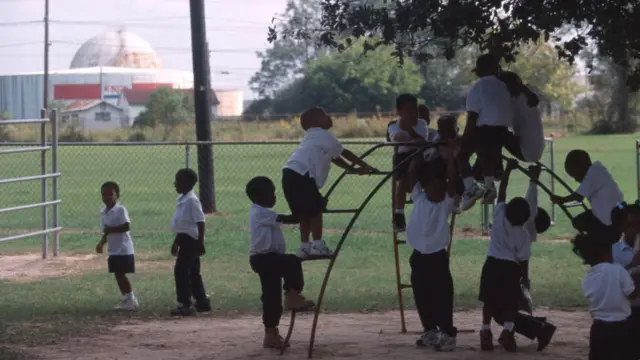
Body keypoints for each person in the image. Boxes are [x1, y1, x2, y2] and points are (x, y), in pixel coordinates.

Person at [282, 107, 377, 259]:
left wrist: (353, 169)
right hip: (302, 175)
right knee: (316, 210)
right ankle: (318, 246)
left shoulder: (312, 137)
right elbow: (344, 153)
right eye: (325, 115)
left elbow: (335, 157)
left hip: (289, 173)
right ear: (315, 122)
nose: (329, 117)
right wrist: (364, 165)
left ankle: (304, 247)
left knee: (304, 214)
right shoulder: (322, 134)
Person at [490, 165, 557, 352]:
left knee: (500, 311)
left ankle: (538, 329)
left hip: (504, 270)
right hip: (513, 271)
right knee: (503, 309)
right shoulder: (527, 232)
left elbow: (530, 201)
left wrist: (531, 180)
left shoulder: (519, 223)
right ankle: (536, 328)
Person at [245, 176, 316, 349]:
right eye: (271, 193)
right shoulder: (260, 212)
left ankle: (271, 333)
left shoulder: (263, 212)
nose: (274, 197)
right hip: (264, 258)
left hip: (267, 259)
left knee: (271, 296)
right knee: (292, 261)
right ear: (259, 196)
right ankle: (292, 294)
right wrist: (309, 210)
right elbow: (289, 219)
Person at [405, 139, 458, 351]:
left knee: (442, 296)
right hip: (418, 256)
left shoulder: (446, 203)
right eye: (432, 185)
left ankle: (447, 334)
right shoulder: (418, 197)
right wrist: (420, 152)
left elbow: (453, 180)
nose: (436, 189)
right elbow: (411, 174)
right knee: (421, 295)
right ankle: (430, 332)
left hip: (437, 257)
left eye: (440, 186)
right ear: (425, 187)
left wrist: (451, 159)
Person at [478, 159, 529, 353]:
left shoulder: (500, 215)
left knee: (489, 301)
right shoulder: (523, 234)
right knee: (510, 303)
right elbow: (523, 259)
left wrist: (507, 170)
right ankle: (507, 333)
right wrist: (524, 277)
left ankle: (485, 331)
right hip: (510, 268)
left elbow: (503, 192)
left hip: (492, 264)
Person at [458, 54, 515, 210]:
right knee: (486, 152)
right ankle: (490, 185)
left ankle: (471, 189)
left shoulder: (477, 87)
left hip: (485, 130)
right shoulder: (504, 86)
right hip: (503, 132)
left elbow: (472, 117)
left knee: (461, 155)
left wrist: (464, 138)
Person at [573, 232, 637, 360]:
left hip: (599, 328)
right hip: (622, 328)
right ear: (605, 252)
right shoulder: (618, 270)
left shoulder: (588, 278)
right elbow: (632, 294)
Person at [550, 150, 623, 241]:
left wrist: (561, 199)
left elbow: (578, 197)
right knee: (579, 222)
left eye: (575, 175)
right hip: (613, 217)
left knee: (579, 223)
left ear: (580, 167)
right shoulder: (598, 170)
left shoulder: (595, 172)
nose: (576, 180)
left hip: (608, 223)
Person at [169, 168, 212, 316]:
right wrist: (176, 242)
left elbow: (200, 222)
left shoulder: (192, 201)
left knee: (181, 271)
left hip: (192, 241)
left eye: (178, 181)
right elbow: (183, 225)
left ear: (188, 183)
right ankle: (202, 302)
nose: (175, 184)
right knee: (193, 272)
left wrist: (200, 243)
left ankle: (185, 304)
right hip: (184, 239)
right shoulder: (182, 199)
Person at [387, 95, 432, 231]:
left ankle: (426, 212)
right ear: (399, 111)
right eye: (409, 110)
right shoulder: (393, 125)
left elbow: (422, 140)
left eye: (415, 110)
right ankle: (399, 215)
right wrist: (413, 138)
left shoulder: (422, 124)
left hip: (421, 158)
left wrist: (410, 132)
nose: (413, 113)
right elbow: (397, 138)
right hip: (403, 157)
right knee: (402, 182)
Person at [96, 181, 139, 311]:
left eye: (110, 194)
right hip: (113, 250)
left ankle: (130, 298)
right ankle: (127, 298)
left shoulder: (120, 209)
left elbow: (126, 226)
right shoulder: (103, 212)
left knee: (120, 274)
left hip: (123, 248)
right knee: (117, 273)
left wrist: (111, 230)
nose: (107, 197)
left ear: (117, 195)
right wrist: (102, 243)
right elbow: (106, 230)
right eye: (104, 194)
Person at [500, 71, 545, 163]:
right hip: (533, 149)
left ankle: (492, 166)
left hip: (527, 151)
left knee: (495, 131)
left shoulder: (521, 99)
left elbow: (534, 101)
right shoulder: (522, 97)